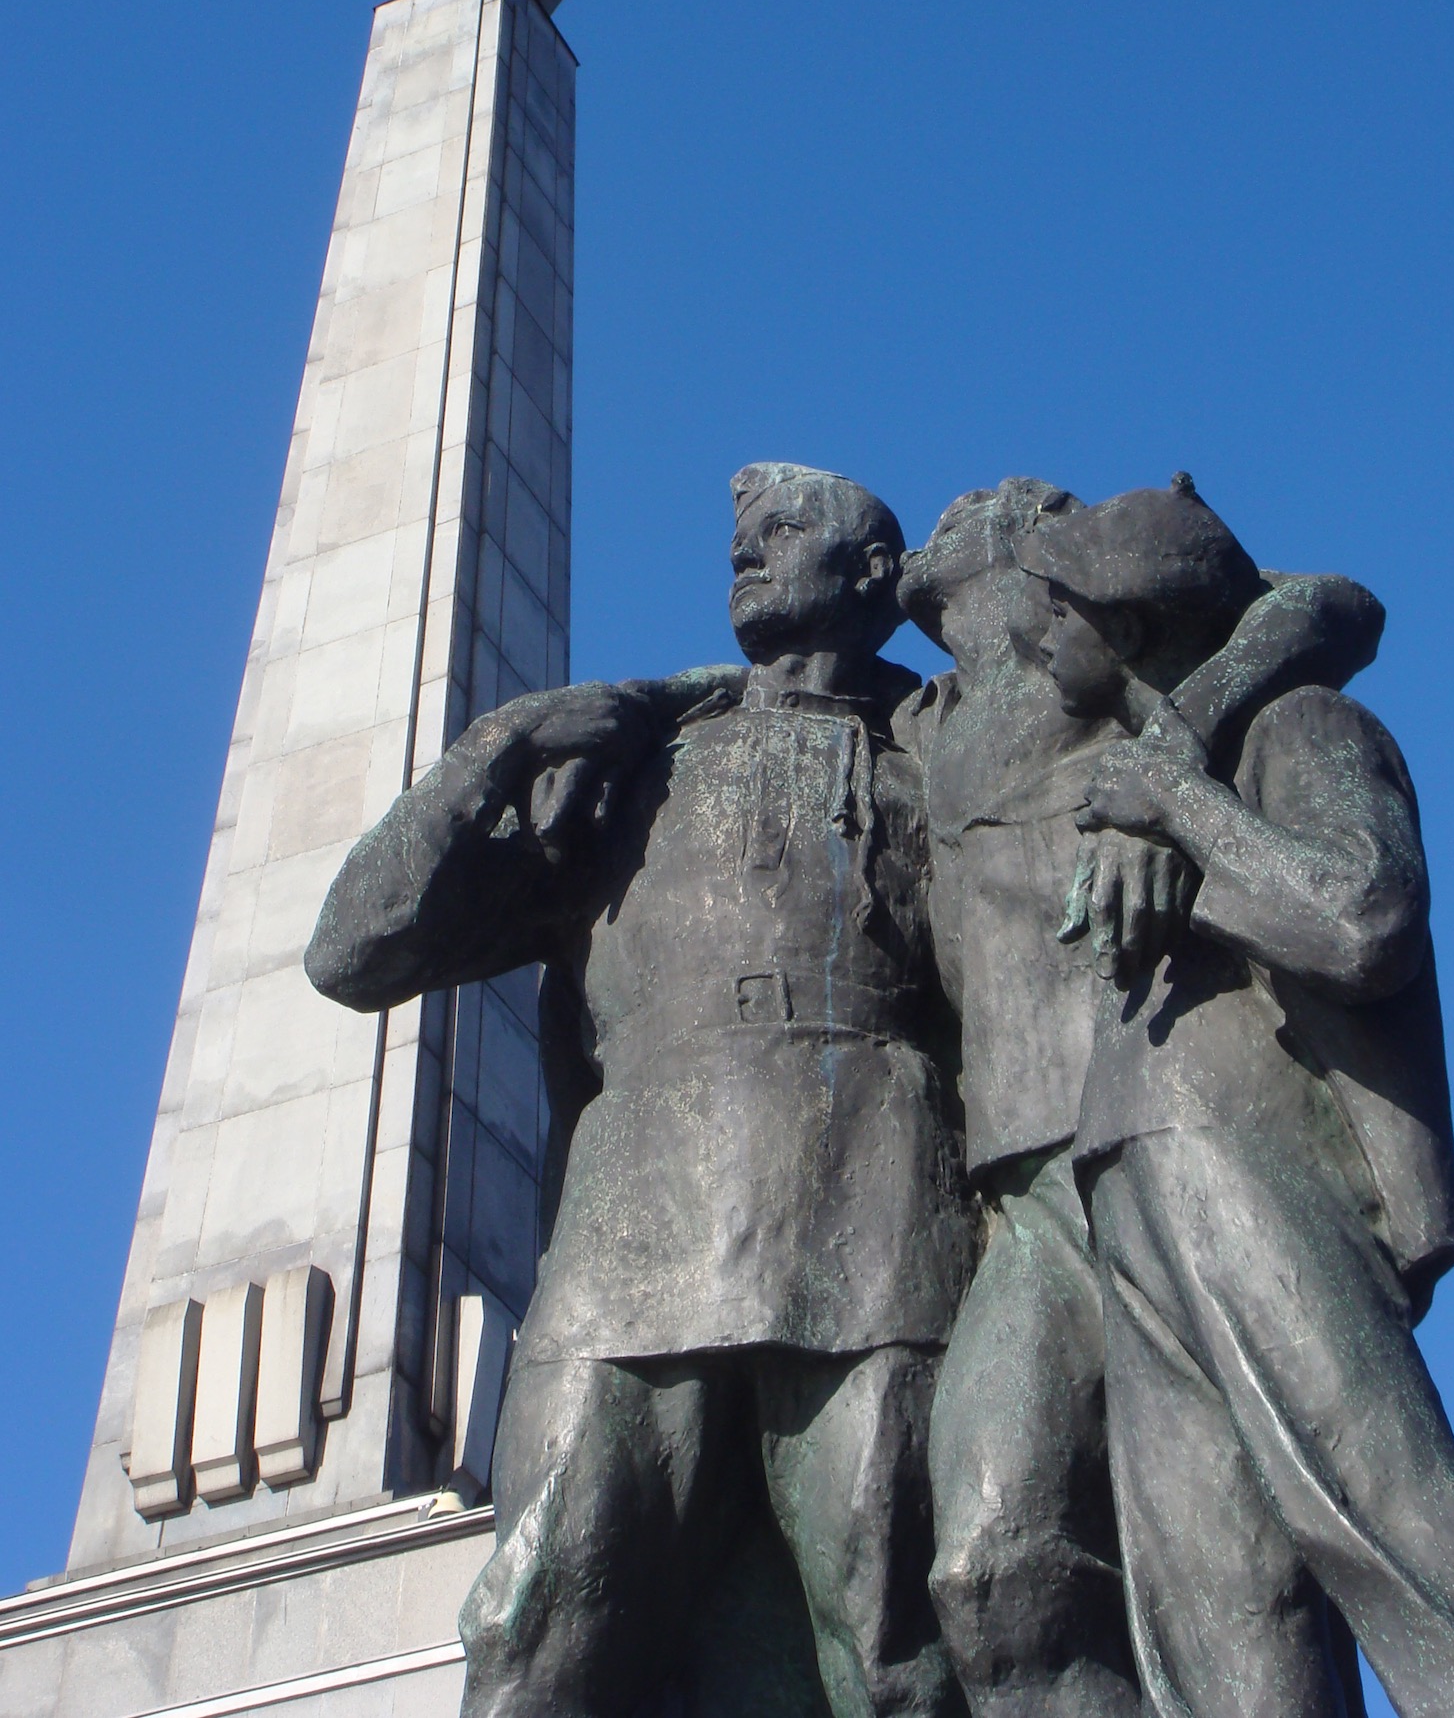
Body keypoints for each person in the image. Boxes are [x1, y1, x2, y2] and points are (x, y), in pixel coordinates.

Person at [307, 462, 973, 1718]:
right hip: (636, 1240)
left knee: (889, 1642)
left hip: (879, 1221)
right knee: (536, 1631)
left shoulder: (941, 748)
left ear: (873, 574)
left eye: (784, 532)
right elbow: (354, 952)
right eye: (739, 537)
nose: (747, 554)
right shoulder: (630, 769)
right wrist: (492, 752)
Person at [1014, 480, 1454, 1718]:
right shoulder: (1144, 772)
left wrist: (1184, 814)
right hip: (1132, 1167)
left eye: (1060, 604)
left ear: (1126, 626)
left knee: (1397, 1530)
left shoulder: (1303, 728)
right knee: (1220, 1617)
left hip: (1252, 1155)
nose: (1037, 631)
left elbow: (1364, 918)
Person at [898, 477, 1380, 1717]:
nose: (925, 535)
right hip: (1021, 1184)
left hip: (1161, 1123)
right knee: (989, 1569)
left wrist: (1176, 737)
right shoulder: (915, 719)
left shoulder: (1108, 663)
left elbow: (1328, 603)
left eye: (959, 515)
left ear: (1017, 550)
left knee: (1250, 1565)